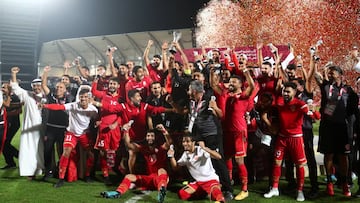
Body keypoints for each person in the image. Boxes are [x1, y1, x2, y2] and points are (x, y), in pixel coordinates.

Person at [211, 67, 255, 200]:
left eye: (234, 82)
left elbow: (252, 86)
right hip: (227, 131)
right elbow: (213, 85)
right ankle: (228, 183)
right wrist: (212, 72)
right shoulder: (227, 95)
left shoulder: (243, 96)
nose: (231, 83)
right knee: (227, 158)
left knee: (239, 160)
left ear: (240, 84)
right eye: (230, 81)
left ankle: (244, 189)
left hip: (239, 132)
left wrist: (246, 73)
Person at [314, 65, 358, 197]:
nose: (330, 75)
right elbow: (316, 75)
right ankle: (329, 184)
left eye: (332, 73)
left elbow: (352, 110)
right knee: (329, 154)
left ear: (340, 74)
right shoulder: (327, 87)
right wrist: (314, 60)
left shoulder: (348, 90)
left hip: (341, 128)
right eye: (329, 73)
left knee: (343, 156)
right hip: (327, 127)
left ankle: (344, 183)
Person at [40, 88, 98, 188]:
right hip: (72, 134)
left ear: (89, 99)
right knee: (66, 152)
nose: (83, 99)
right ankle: (61, 178)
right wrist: (45, 105)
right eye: (81, 97)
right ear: (79, 98)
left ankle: (88, 175)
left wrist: (98, 122)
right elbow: (59, 107)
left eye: (85, 97)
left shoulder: (93, 109)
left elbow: (96, 120)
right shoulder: (73, 105)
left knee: (91, 154)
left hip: (84, 134)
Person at [100, 123, 171, 203]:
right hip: (149, 178)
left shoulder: (161, 148)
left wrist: (164, 131)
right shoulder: (144, 148)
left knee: (161, 170)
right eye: (148, 136)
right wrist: (126, 131)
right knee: (129, 176)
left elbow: (169, 143)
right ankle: (117, 192)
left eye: (152, 136)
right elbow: (129, 145)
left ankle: (161, 191)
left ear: (156, 138)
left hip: (160, 178)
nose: (150, 138)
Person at [264, 82, 310, 202]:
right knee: (277, 162)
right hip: (282, 137)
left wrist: (312, 112)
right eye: (284, 91)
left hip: (296, 138)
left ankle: (300, 191)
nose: (285, 93)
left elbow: (311, 114)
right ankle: (274, 188)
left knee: (299, 165)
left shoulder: (300, 104)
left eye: (288, 91)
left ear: (294, 93)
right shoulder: (279, 102)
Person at [168, 133, 225, 202]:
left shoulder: (201, 150)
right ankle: (205, 193)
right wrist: (171, 157)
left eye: (187, 141)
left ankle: (216, 193)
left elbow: (218, 156)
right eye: (183, 141)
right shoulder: (185, 155)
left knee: (217, 194)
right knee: (182, 194)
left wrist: (205, 148)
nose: (185, 144)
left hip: (210, 180)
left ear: (193, 142)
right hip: (198, 182)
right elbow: (175, 168)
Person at [10, 67, 45, 179]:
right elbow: (15, 87)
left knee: (41, 149)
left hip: (41, 128)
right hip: (28, 128)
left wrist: (45, 73)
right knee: (29, 149)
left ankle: (42, 169)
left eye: (38, 85)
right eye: (34, 86)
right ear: (32, 87)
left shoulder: (46, 97)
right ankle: (30, 171)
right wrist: (13, 74)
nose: (36, 87)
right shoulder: (27, 95)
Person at [41, 66, 72, 180]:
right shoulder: (51, 96)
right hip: (50, 128)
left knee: (61, 151)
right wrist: (45, 72)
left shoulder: (70, 99)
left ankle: (61, 170)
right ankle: (49, 171)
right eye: (57, 86)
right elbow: (44, 85)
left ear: (65, 90)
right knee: (48, 150)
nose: (58, 88)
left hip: (63, 128)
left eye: (61, 87)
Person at [1, 82, 21, 169]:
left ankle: (20, 157)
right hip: (6, 124)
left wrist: (6, 113)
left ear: (9, 89)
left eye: (4, 88)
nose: (2, 89)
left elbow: (19, 110)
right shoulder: (2, 97)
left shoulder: (14, 97)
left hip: (13, 124)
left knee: (5, 143)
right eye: (2, 87)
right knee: (5, 144)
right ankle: (10, 163)